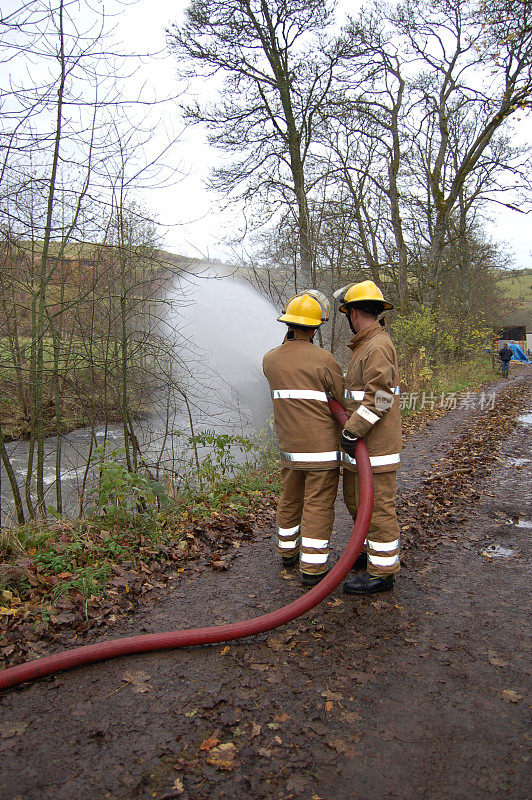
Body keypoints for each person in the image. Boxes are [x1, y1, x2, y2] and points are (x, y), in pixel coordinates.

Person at [262, 291, 344, 587]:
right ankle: (313, 567)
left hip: (290, 451)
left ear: (288, 324)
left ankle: (287, 553)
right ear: (316, 327)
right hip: (321, 451)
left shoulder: (270, 360)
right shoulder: (324, 359)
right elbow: (341, 397)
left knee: (290, 499)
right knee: (318, 505)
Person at [334, 280, 402, 594]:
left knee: (377, 509)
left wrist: (352, 430)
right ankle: (368, 550)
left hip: (374, 447)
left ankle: (382, 573)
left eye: (347, 312)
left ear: (355, 312)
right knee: (355, 501)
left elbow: (382, 397)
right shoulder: (365, 345)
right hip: (360, 446)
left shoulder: (378, 346)